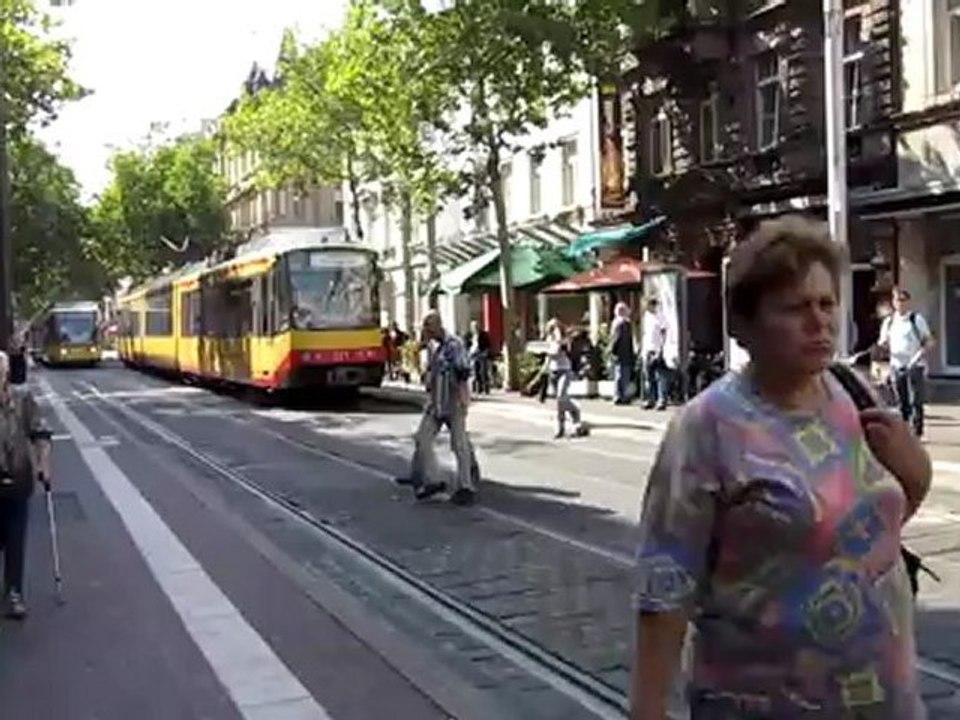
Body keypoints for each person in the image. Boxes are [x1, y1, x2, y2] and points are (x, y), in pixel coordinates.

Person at [630, 215, 931, 720]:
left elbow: (869, 533)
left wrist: (915, 472)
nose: (820, 322)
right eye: (795, 308)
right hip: (765, 702)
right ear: (744, 327)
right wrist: (647, 709)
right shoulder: (708, 426)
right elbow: (665, 584)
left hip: (885, 697)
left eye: (827, 303)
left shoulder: (855, 393)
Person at [397, 311, 477, 506]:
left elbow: (463, 372)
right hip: (435, 402)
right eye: (425, 327)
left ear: (438, 325)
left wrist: (464, 399)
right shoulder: (434, 347)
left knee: (459, 444)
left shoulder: (453, 344)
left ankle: (466, 486)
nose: (427, 331)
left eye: (429, 327)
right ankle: (433, 480)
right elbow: (430, 374)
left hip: (452, 400)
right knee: (422, 439)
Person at [0, 350, 53, 619]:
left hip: (18, 481)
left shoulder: (22, 400)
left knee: (15, 540)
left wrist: (44, 464)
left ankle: (13, 593)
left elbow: (41, 432)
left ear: (5, 375)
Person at [877, 287, 933, 437]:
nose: (900, 303)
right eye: (897, 300)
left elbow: (929, 342)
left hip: (915, 366)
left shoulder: (916, 319)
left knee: (916, 401)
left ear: (908, 302)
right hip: (897, 365)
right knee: (901, 401)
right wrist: (881, 349)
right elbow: (883, 344)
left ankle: (917, 433)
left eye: (903, 300)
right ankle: (904, 432)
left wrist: (917, 357)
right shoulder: (889, 322)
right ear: (893, 302)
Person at [545, 318, 587, 439]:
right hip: (553, 371)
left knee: (561, 396)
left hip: (565, 370)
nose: (553, 331)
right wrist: (544, 370)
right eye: (551, 328)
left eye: (555, 328)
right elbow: (548, 356)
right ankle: (560, 427)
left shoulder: (565, 340)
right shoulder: (549, 339)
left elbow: (558, 350)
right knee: (559, 402)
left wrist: (558, 336)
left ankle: (575, 410)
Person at [640, 297, 668, 410]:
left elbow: (664, 332)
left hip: (657, 349)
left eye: (648, 305)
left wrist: (661, 349)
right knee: (648, 377)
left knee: (660, 376)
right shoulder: (647, 316)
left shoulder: (660, 317)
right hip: (647, 349)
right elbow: (645, 334)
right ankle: (650, 399)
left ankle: (661, 400)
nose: (646, 308)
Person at [609, 302, 635, 405]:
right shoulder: (624, 324)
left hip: (620, 353)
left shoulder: (617, 323)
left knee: (619, 374)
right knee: (623, 375)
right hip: (624, 353)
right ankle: (622, 396)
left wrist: (612, 350)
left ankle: (619, 396)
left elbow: (615, 339)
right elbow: (620, 339)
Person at [463, 320, 492, 395]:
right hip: (473, 355)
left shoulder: (484, 334)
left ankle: (486, 389)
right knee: (475, 372)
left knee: (483, 372)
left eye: (476, 326)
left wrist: (485, 352)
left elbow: (488, 345)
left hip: (482, 354)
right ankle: (478, 389)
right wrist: (468, 354)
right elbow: (465, 345)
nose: (475, 328)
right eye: (473, 327)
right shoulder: (469, 335)